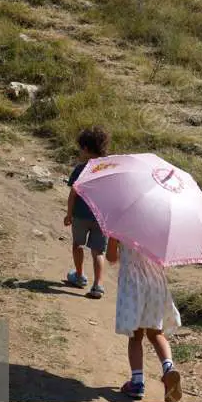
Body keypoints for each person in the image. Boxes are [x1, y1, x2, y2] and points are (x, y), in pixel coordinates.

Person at [106, 236, 183, 402]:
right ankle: (168, 368)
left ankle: (137, 382)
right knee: (156, 334)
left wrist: (112, 239)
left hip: (134, 286)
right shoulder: (158, 228)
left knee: (135, 337)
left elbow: (111, 258)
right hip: (156, 284)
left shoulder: (120, 228)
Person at [64, 126, 110, 300]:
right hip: (101, 218)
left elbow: (73, 195)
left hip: (80, 215)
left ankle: (79, 275)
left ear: (85, 148)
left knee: (78, 245)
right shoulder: (108, 170)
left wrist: (69, 214)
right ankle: (98, 284)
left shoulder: (80, 169)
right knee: (98, 251)